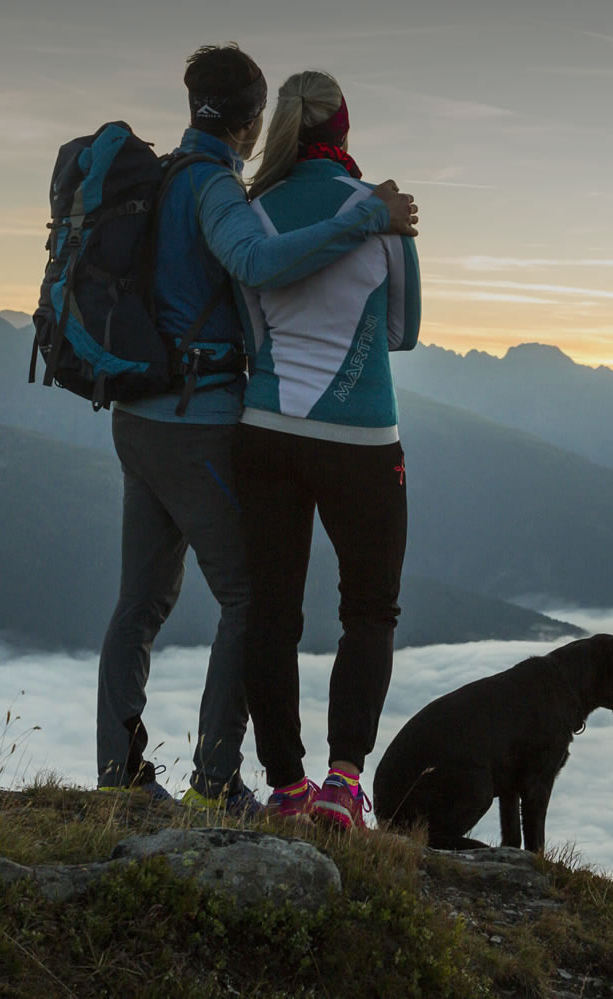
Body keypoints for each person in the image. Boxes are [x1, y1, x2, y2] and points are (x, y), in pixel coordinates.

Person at [94, 45, 420, 815]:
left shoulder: (168, 175)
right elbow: (259, 265)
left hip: (136, 416)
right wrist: (369, 216)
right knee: (250, 602)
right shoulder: (214, 190)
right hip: (196, 419)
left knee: (138, 602)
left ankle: (117, 774)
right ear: (246, 123)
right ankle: (215, 778)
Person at [231, 70, 421, 828]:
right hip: (365, 442)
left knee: (271, 614)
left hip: (268, 433)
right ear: (344, 128)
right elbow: (403, 332)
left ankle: (284, 787)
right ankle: (343, 784)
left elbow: (253, 338)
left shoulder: (254, 215)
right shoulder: (380, 211)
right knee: (368, 610)